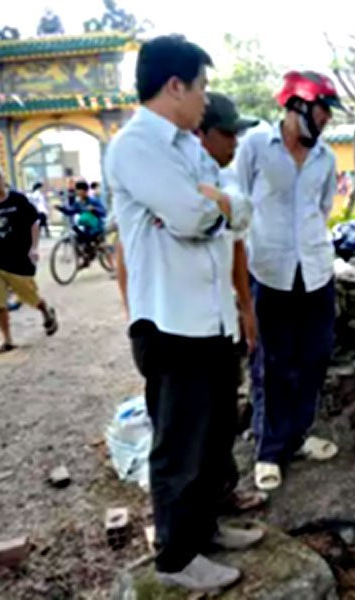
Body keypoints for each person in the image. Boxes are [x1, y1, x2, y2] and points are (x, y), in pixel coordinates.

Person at [104, 35, 260, 592]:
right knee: (180, 447)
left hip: (211, 318)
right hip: (170, 322)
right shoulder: (136, 146)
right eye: (201, 87)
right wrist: (212, 205)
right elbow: (194, 217)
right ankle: (176, 558)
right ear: (175, 86)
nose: (205, 99)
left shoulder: (188, 149)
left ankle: (205, 530)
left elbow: (237, 206)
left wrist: (214, 202)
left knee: (214, 437)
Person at [114, 90, 264, 513]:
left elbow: (237, 240)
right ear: (200, 134)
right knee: (181, 438)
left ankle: (219, 501)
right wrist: (135, 316)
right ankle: (183, 536)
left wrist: (245, 307)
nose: (235, 143)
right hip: (172, 325)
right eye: (227, 134)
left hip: (216, 322)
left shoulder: (220, 178)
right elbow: (128, 255)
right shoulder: (155, 176)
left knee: (218, 422)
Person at [236, 71, 342, 491]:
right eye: (323, 109)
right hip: (269, 271)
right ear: (298, 106)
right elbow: (238, 203)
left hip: (315, 271)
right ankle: (269, 449)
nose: (327, 118)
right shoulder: (255, 146)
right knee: (272, 362)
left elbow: (323, 208)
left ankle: (297, 436)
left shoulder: (325, 158)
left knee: (314, 356)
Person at [0, 165, 58, 353]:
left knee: (29, 296)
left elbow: (34, 223)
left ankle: (45, 310)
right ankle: (7, 340)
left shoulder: (18, 200)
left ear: (4, 178)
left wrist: (33, 248)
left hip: (19, 259)